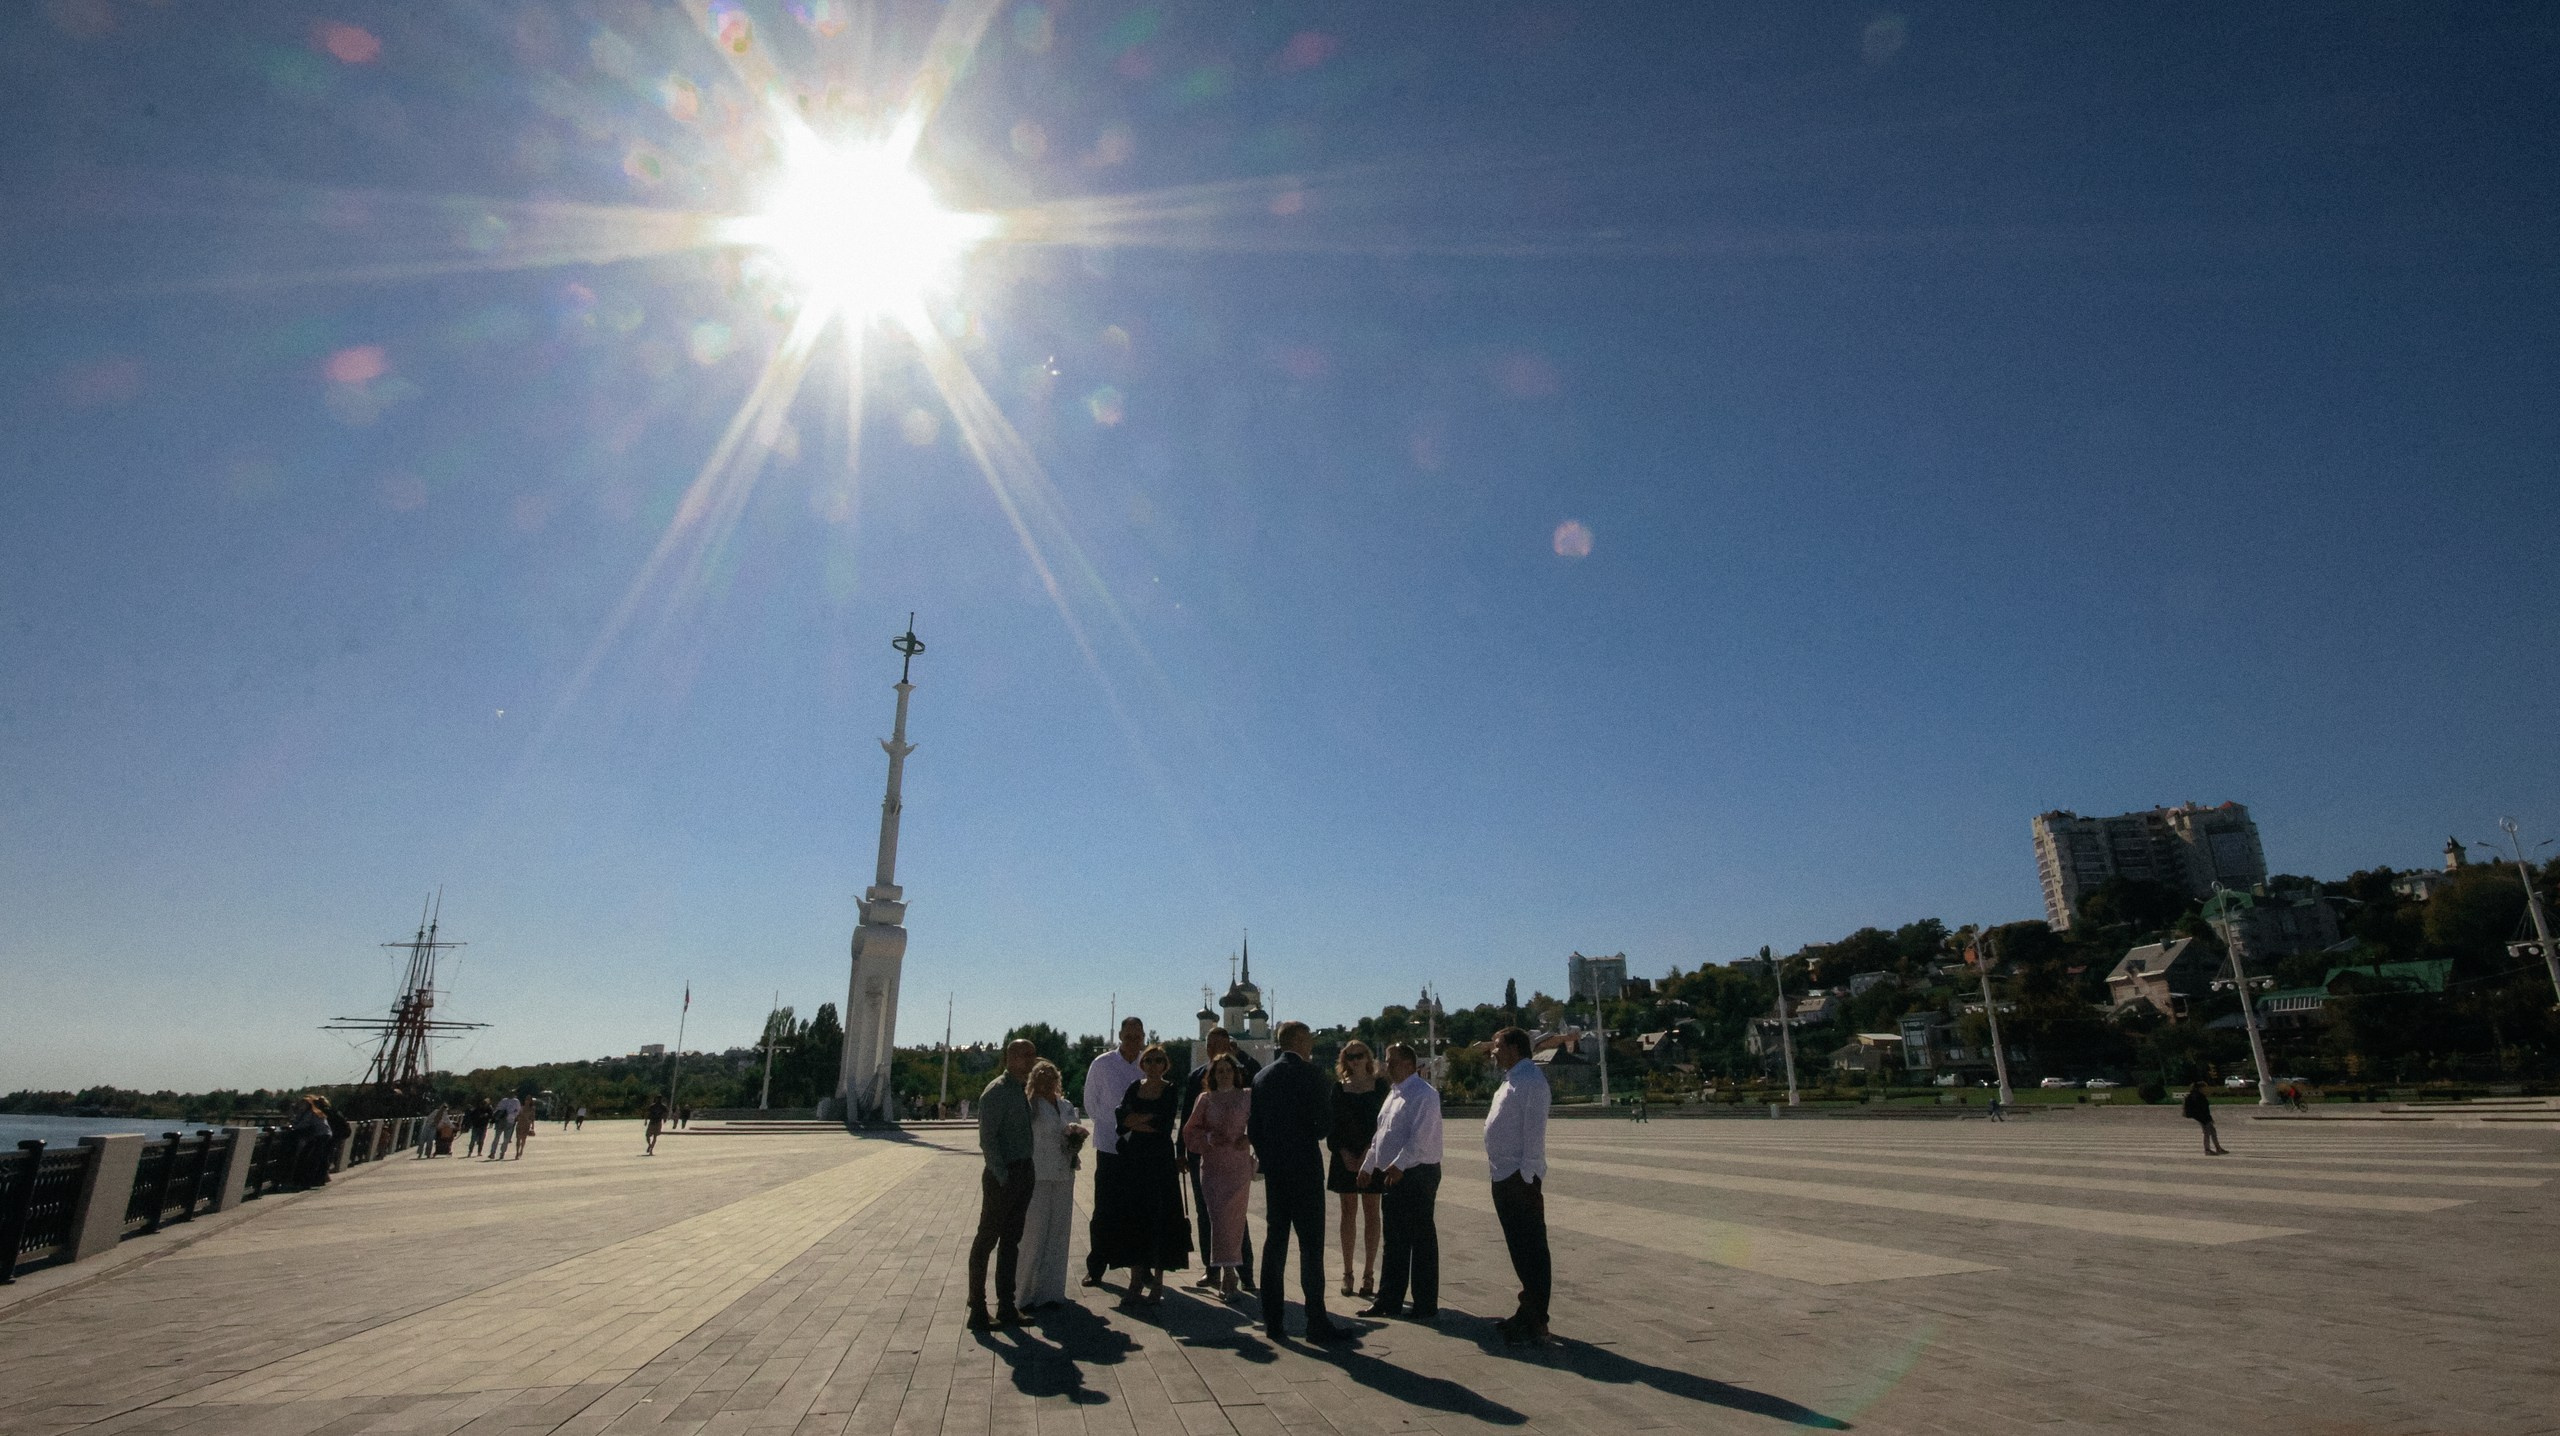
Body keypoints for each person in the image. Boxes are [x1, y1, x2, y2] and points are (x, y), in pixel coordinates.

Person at [1250, 1021, 1345, 1342]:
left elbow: (1255, 1129)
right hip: (1305, 1169)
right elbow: (1323, 1126)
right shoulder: (1312, 1074)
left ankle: (1273, 1322)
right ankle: (1316, 1321)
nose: (1312, 1046)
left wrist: (1270, 1157)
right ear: (1299, 1041)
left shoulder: (1262, 1077)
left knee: (1275, 1241)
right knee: (1310, 1247)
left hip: (1276, 1173)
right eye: (1310, 1039)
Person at [1357, 1043, 1443, 1322]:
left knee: (1421, 1240)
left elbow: (1420, 1138)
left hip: (1417, 1173)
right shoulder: (1393, 1094)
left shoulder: (1424, 1095)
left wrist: (1398, 1165)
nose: (1386, 1066)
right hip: (1393, 1174)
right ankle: (1389, 1299)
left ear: (1408, 1063)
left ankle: (1425, 1304)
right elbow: (1381, 1135)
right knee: (1393, 1240)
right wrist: (1369, 1165)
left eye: (1391, 1061)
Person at [1103, 1044, 1193, 1305]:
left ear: (1166, 1064)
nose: (1153, 1065)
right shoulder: (1134, 1087)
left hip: (1159, 1163)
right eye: (1149, 1060)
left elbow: (1163, 1124)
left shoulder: (1171, 1089)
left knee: (1159, 1216)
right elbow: (1121, 1118)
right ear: (1143, 1064)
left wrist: (1136, 1119)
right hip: (1134, 1161)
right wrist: (1142, 1119)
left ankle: (1158, 1282)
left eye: (1159, 1060)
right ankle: (1135, 1279)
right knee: (1134, 1216)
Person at [1484, 1027, 1552, 1346]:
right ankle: (1529, 1310)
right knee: (1519, 1249)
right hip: (1504, 1175)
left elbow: (1534, 1134)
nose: (1493, 1051)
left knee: (1531, 1249)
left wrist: (1526, 1178)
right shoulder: (1512, 1079)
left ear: (1513, 1047)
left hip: (1518, 1178)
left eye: (1497, 1046)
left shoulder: (1530, 1081)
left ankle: (1536, 1317)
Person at [1179, 1027, 1259, 1291]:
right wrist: (1182, 1152)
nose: (1216, 1050)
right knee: (1208, 1216)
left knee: (1236, 1218)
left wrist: (1240, 1055)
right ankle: (1212, 1270)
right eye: (1212, 1045)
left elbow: (1258, 1109)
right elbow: (1188, 1122)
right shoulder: (1198, 1078)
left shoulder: (1243, 1075)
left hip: (1235, 1164)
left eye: (1222, 1045)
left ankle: (1243, 1271)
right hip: (1206, 1159)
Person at [967, 1039, 1038, 1331]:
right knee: (987, 1239)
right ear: (1010, 1057)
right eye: (1025, 1055)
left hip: (1023, 1171)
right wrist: (1002, 1175)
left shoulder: (1021, 1090)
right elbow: (988, 1139)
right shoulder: (996, 1092)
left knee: (1011, 1241)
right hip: (1003, 1176)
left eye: (1033, 1055)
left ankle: (1007, 1305)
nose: (1031, 1060)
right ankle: (978, 1308)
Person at [1081, 1016, 1148, 1286]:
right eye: (1128, 1036)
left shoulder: (1149, 1064)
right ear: (1120, 1035)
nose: (1133, 1041)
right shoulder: (1102, 1064)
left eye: (1138, 1036)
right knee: (1104, 1210)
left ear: (1143, 1036)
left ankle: (1139, 1267)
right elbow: (1091, 1103)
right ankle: (1096, 1266)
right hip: (1110, 1147)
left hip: (1141, 1149)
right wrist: (1116, 1125)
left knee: (1138, 1209)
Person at [1016, 1059, 1087, 1312]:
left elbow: (1075, 1129)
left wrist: (1076, 1139)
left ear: (1057, 1079)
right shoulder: (1030, 1106)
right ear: (1034, 1080)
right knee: (1034, 1233)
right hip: (1038, 1174)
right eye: (1041, 1075)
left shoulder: (1066, 1105)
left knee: (1059, 1231)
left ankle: (1051, 1292)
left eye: (1051, 1075)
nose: (1046, 1079)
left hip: (1064, 1174)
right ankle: (1023, 1293)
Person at [1328, 1040, 1386, 1300]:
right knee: (1347, 1211)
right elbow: (1332, 1126)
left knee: (1372, 1211)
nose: (1354, 1061)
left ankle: (1369, 1273)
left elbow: (1384, 1125)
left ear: (1367, 1057)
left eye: (1359, 1055)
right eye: (1349, 1056)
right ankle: (1348, 1271)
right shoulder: (1338, 1088)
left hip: (1371, 1156)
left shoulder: (1380, 1087)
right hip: (1344, 1156)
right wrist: (1344, 1154)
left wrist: (1367, 1156)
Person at [290, 1096, 335, 1188]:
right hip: (326, 1134)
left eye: (304, 1104)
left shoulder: (310, 1113)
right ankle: (318, 1179)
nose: (301, 1105)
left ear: (309, 1105)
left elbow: (301, 1125)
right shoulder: (316, 1111)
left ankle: (307, 1180)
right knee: (320, 1157)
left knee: (313, 1157)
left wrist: (292, 1123)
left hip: (320, 1135)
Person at [2184, 1080, 2227, 1154]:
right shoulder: (2198, 1096)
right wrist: (2208, 1118)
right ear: (2200, 1088)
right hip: (2203, 1118)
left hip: (2202, 1117)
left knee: (2212, 1131)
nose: (2206, 1089)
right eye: (2204, 1088)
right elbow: (2203, 1109)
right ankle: (2208, 1149)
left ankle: (2217, 1148)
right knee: (2208, 1132)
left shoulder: (2195, 1095)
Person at [488, 1094, 520, 1160]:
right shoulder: (515, 1101)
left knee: (499, 1138)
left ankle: (496, 1152)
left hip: (504, 1121)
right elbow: (517, 1111)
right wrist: (513, 1115)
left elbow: (497, 1109)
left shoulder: (505, 1100)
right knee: (503, 1138)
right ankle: (498, 1153)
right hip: (507, 1121)